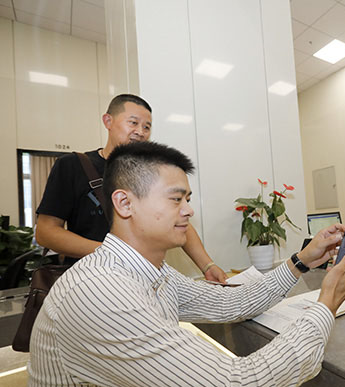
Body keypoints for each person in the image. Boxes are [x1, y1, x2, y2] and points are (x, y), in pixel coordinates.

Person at [25, 141, 345, 387]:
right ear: (125, 204)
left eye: (187, 198)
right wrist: (326, 304)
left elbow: (230, 303)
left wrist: (301, 260)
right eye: (176, 199)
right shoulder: (100, 293)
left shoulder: (152, 272)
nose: (188, 210)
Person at [35, 94, 227, 282]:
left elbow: (177, 219)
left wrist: (208, 266)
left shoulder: (151, 170)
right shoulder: (72, 165)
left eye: (147, 127)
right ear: (108, 121)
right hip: (90, 278)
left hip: (145, 279)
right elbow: (46, 232)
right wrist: (115, 253)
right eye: (133, 123)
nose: (140, 132)